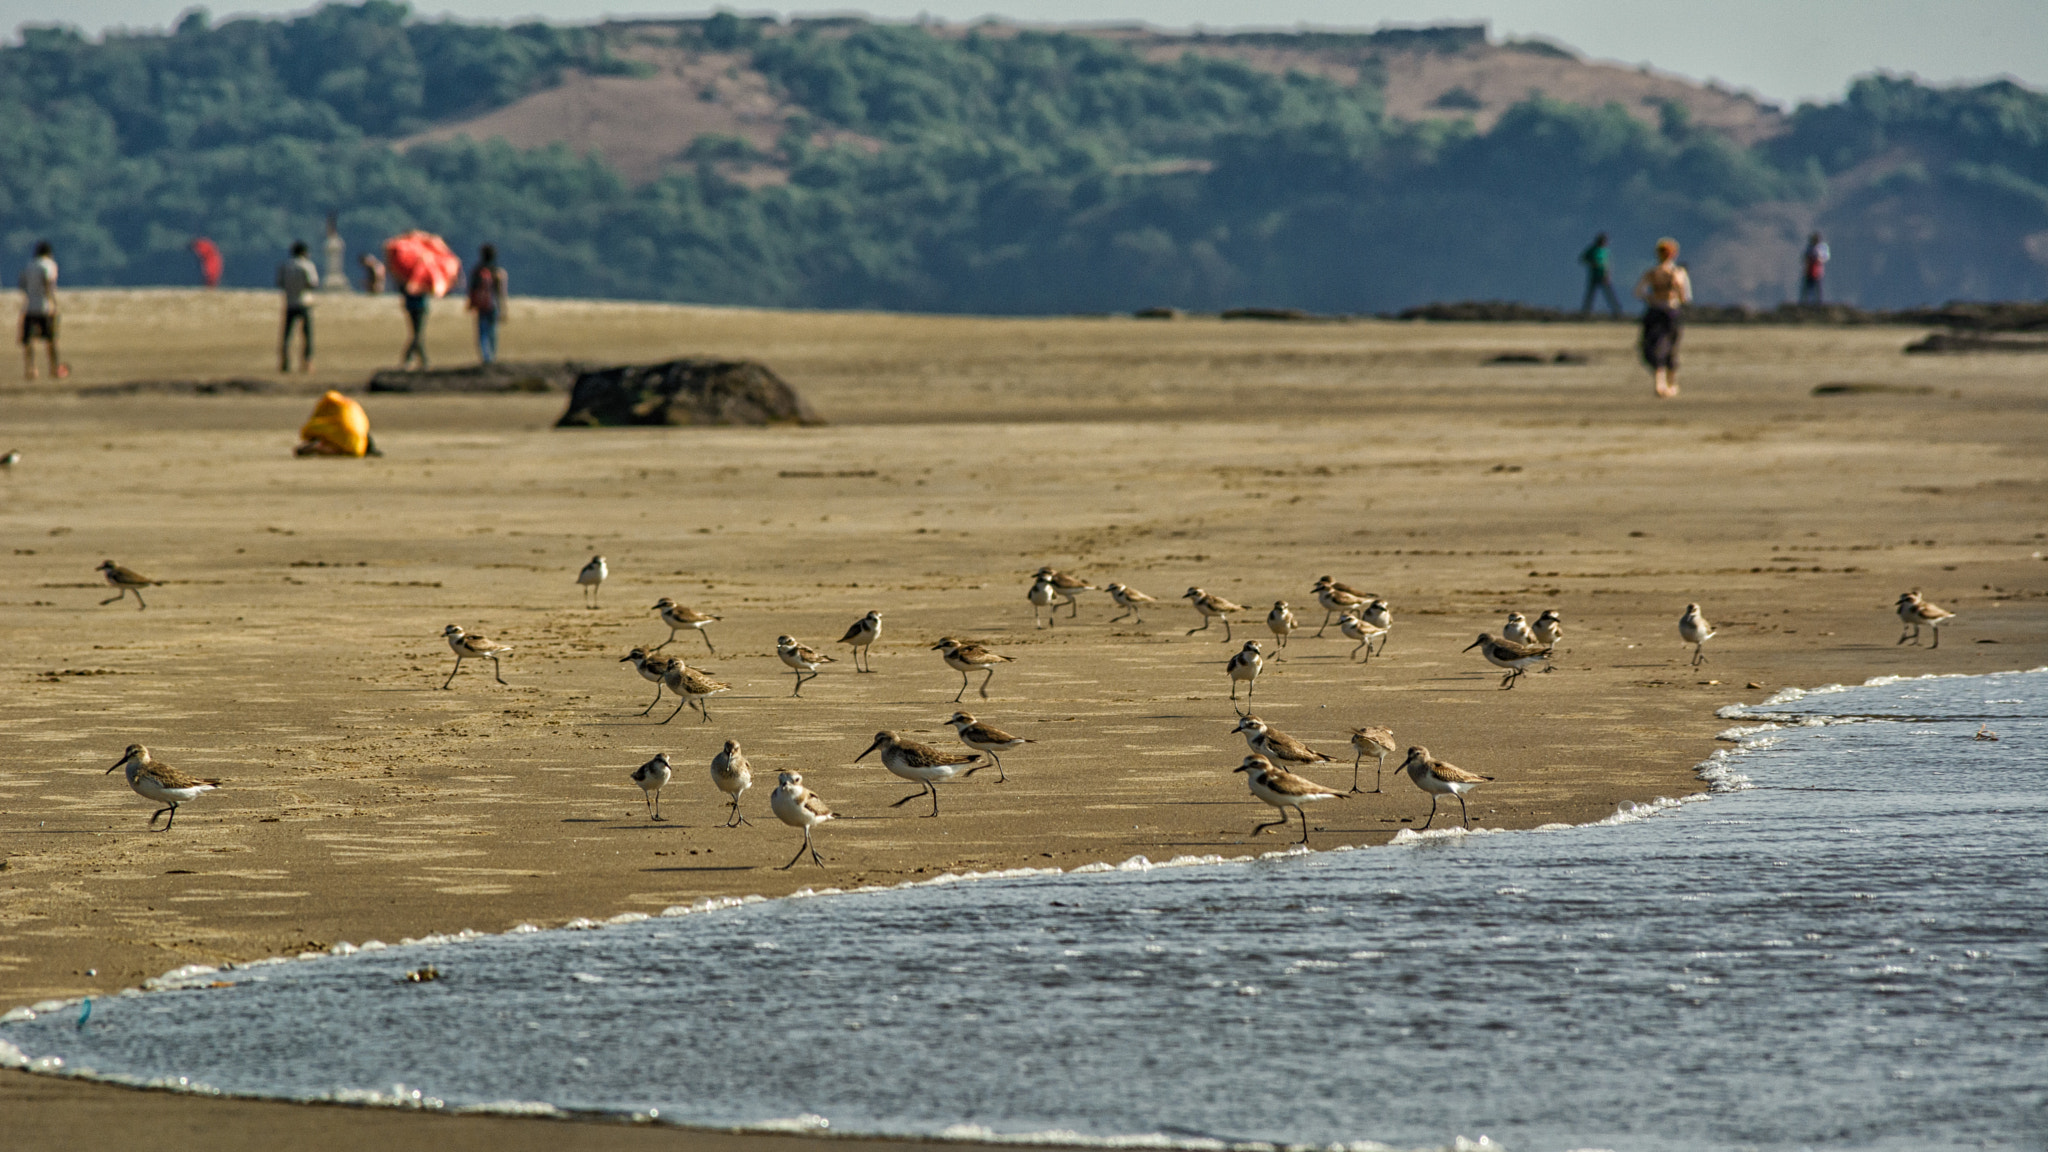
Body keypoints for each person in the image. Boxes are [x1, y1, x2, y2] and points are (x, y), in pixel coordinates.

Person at [1634, 237, 1692, 399]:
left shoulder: (1652, 273)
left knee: (1654, 348)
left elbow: (1638, 292)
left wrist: (1652, 297)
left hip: (1654, 312)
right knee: (1671, 348)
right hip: (1671, 313)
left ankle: (1660, 384)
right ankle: (1671, 384)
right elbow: (1685, 297)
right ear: (1674, 254)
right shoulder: (1678, 274)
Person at [19, 240, 62, 380]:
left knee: (29, 341)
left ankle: (31, 369)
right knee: (51, 340)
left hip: (30, 306)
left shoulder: (29, 265)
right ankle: (54, 368)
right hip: (45, 307)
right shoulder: (49, 265)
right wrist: (54, 302)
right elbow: (49, 283)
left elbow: (22, 284)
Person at [276, 240, 319, 373]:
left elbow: (280, 283)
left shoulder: (285, 266)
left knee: (287, 335)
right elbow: (313, 283)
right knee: (307, 335)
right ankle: (307, 362)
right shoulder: (307, 266)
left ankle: (284, 361)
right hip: (304, 302)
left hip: (290, 302)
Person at [466, 244, 509, 364]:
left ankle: (486, 357)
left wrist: (471, 303)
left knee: (482, 332)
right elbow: (501, 293)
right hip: (493, 305)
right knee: (493, 332)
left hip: (481, 305)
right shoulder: (498, 272)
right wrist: (504, 309)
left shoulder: (477, 272)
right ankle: (492, 357)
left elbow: (472, 289)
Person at [1578, 232, 1620, 317]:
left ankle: (1617, 311)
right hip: (1594, 276)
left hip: (1603, 276)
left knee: (1610, 294)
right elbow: (1583, 259)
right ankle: (1586, 312)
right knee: (1590, 295)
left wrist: (1608, 275)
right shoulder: (1592, 250)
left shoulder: (1605, 251)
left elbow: (1607, 264)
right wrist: (1592, 263)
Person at [399, 286, 429, 370]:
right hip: (413, 306)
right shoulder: (409, 279)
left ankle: (417, 360)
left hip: (419, 305)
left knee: (417, 335)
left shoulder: (421, 278)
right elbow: (403, 290)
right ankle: (419, 360)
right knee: (417, 335)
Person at [1799, 231, 1829, 305]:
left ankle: (1818, 302)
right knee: (1808, 288)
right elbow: (1805, 258)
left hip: (1817, 271)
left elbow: (1824, 258)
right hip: (1809, 271)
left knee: (1817, 288)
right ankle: (1805, 302)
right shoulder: (1809, 248)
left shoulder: (1821, 248)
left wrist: (1818, 259)